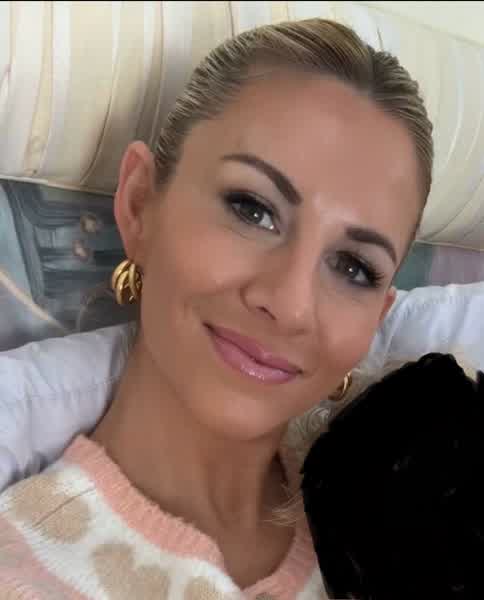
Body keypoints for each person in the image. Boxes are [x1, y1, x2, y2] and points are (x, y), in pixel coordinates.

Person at [0, 17, 433, 599]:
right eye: (253, 209)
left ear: (378, 317)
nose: (291, 305)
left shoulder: (405, 532)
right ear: (139, 205)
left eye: (354, 267)